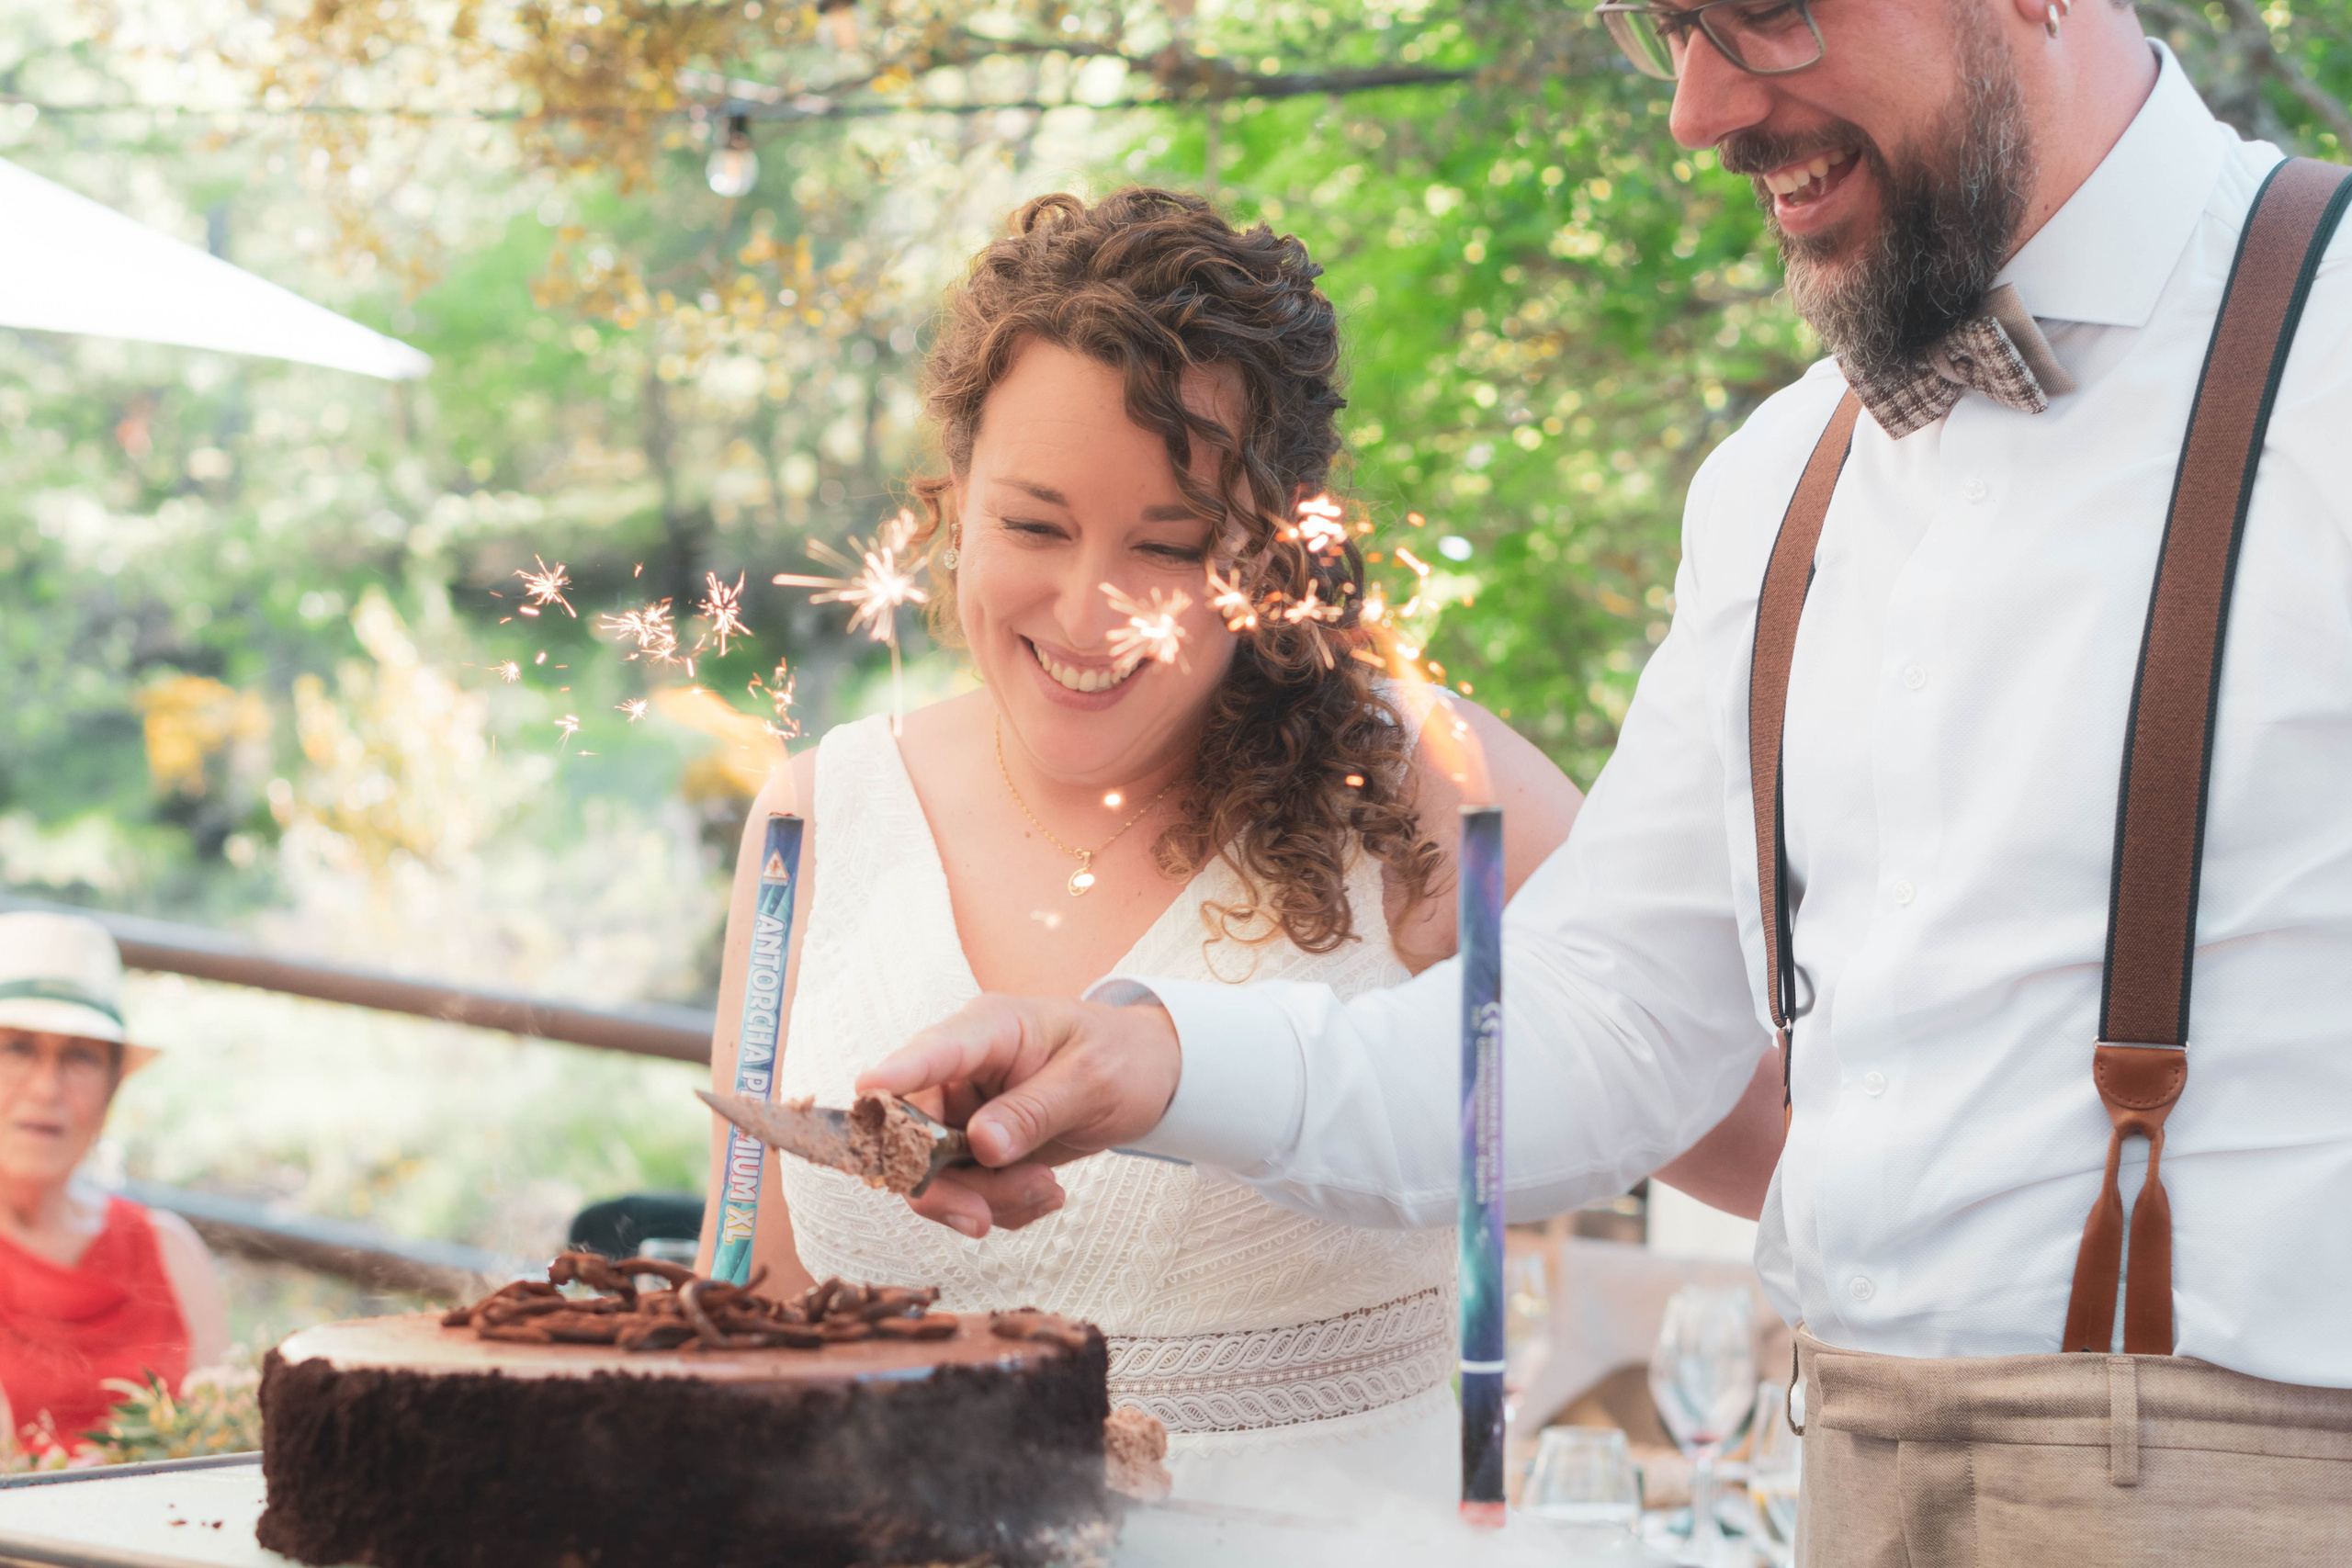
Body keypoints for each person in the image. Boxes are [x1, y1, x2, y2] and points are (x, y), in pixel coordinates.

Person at [863, 4, 2352, 1561]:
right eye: (1669, 28)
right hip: (1848, 1474)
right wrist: (1148, 1059)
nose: (1698, 113)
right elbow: (1610, 1024)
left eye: (1762, 13)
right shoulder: (1777, 484)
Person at [694, 189, 1778, 1504]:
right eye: (1033, 525)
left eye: (1172, 544)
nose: (1089, 611)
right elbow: (746, 1331)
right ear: (953, 500)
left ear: (1275, 550)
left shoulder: (1434, 795)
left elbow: (1770, 1134)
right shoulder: (814, 820)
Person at [0, 911, 228, 1456]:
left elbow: (227, 1444)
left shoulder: (168, 1250)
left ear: (111, 1090)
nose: (46, 1088)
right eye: (17, 1048)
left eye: (80, 1055)